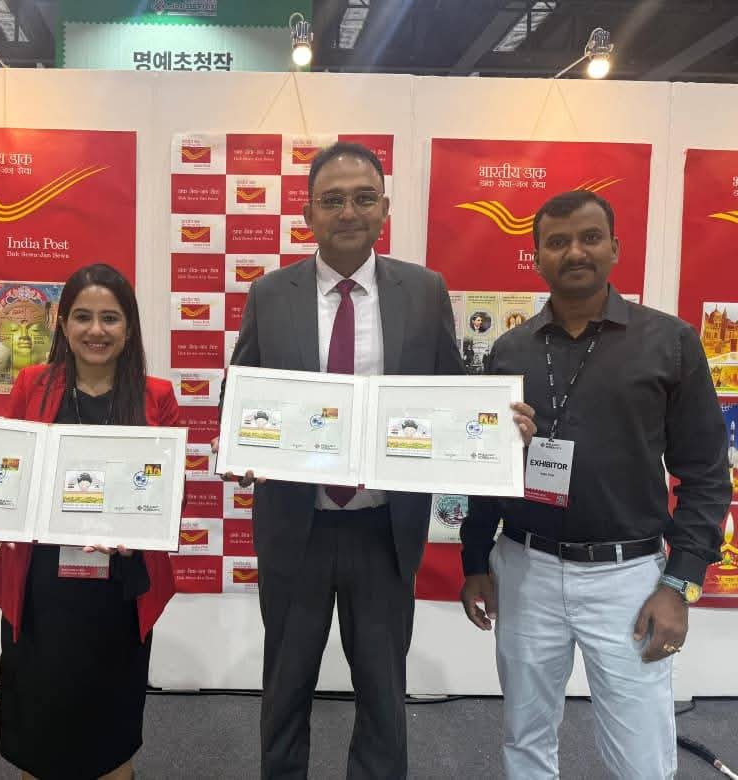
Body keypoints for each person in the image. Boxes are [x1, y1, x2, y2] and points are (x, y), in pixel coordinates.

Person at [223, 141, 534, 778]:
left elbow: (449, 394)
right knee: (284, 688)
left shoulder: (422, 291)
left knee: (383, 692)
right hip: (296, 526)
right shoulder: (270, 293)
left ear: (385, 209)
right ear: (308, 213)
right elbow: (242, 390)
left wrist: (496, 429)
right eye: (332, 200)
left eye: (364, 198)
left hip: (384, 528)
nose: (349, 212)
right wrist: (239, 441)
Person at [460, 190, 731, 779]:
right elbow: (486, 466)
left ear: (615, 248)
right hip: (526, 569)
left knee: (641, 757)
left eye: (589, 238)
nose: (575, 252)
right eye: (557, 242)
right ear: (537, 257)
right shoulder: (510, 350)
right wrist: (475, 559)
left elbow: (708, 474)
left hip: (628, 579)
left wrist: (680, 582)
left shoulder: (668, 341)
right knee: (525, 738)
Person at [0, 263, 177, 780]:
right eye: (83, 317)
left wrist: (141, 530)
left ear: (129, 327)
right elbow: (9, 473)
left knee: (110, 729)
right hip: (40, 587)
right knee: (39, 727)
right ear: (62, 324)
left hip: (118, 590)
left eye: (110, 317)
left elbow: (173, 493)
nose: (95, 330)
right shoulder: (32, 384)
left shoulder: (156, 395)